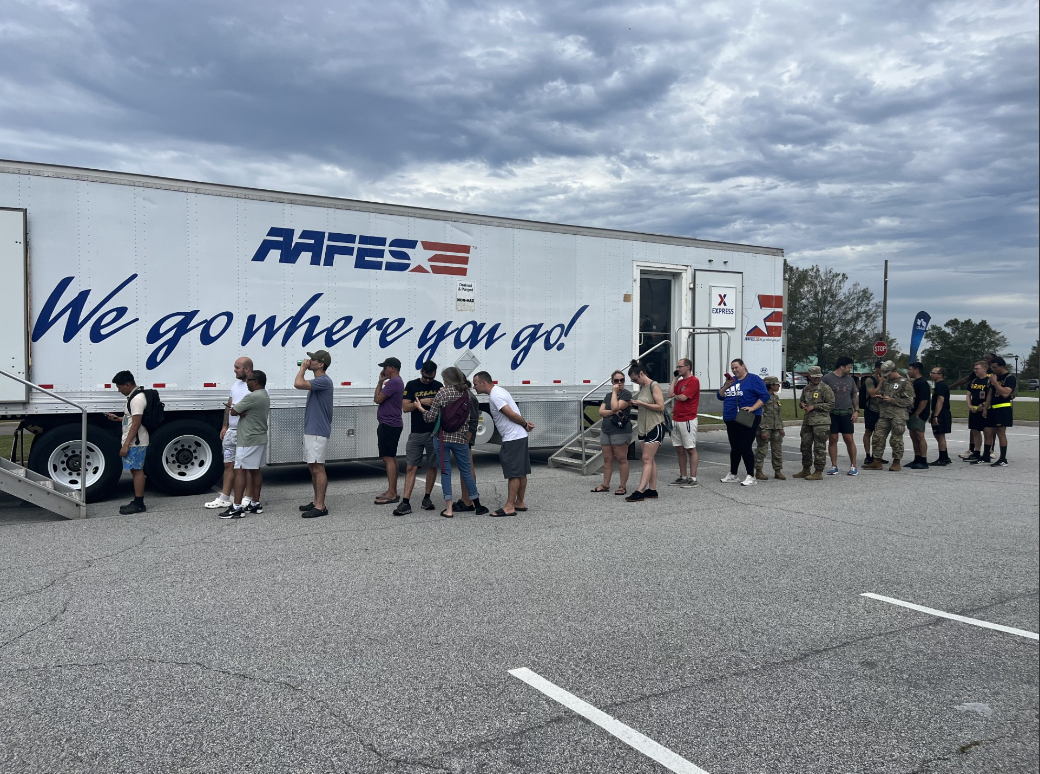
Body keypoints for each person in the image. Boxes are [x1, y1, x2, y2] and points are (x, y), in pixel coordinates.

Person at [424, 367, 488, 517]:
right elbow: (473, 418)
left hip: (441, 438)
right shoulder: (467, 394)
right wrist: (468, 437)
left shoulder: (442, 393)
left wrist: (422, 410)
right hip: (460, 439)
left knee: (445, 473)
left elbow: (430, 418)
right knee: (466, 472)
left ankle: (449, 509)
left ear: (446, 379)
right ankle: (477, 506)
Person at [472, 371, 532, 516]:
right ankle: (520, 502)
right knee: (521, 471)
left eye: (475, 384)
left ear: (483, 383)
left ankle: (510, 506)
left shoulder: (495, 396)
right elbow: (513, 412)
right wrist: (523, 425)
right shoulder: (500, 390)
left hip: (513, 438)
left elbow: (510, 414)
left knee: (514, 472)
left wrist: (524, 424)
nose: (474, 387)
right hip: (519, 436)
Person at [204, 357, 252, 510]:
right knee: (228, 464)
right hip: (231, 431)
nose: (234, 370)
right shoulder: (235, 385)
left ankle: (248, 497)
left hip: (246, 431)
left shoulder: (255, 386)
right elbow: (228, 406)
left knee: (247, 466)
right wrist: (224, 426)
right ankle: (224, 497)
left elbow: (259, 406)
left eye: (237, 367)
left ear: (247, 369)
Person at [394, 361, 442, 516]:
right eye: (425, 377)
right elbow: (405, 408)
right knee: (411, 466)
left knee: (432, 466)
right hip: (417, 432)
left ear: (435, 373)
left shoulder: (438, 385)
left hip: (434, 432)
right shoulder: (412, 385)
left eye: (430, 377)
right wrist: (421, 402)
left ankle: (427, 498)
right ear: (421, 372)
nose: (428, 380)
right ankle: (405, 501)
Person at [223, 370, 270, 518]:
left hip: (248, 439)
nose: (246, 383)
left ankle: (237, 507)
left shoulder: (252, 396)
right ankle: (255, 503)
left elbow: (234, 411)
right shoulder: (264, 395)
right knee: (255, 470)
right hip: (259, 437)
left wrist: (237, 410)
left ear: (255, 382)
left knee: (240, 470)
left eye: (248, 380)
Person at [717, 358, 769, 486]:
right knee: (735, 447)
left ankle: (751, 476)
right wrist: (726, 385)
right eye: (732, 368)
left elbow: (765, 396)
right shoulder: (731, 382)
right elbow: (720, 396)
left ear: (743, 366)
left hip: (747, 417)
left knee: (745, 446)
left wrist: (753, 407)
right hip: (731, 418)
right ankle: (733, 474)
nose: (734, 370)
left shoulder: (753, 379)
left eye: (736, 367)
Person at [294, 350, 334, 519]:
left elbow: (298, 383)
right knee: (312, 466)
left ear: (321, 364)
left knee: (318, 467)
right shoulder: (318, 381)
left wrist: (302, 368)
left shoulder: (323, 380)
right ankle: (316, 500)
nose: (309, 361)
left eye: (313, 359)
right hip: (312, 429)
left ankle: (320, 506)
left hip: (317, 431)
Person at [107, 371, 149, 515]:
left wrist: (126, 445)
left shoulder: (137, 399)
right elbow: (131, 418)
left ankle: (139, 503)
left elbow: (136, 424)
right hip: (134, 441)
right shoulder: (133, 397)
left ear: (128, 384)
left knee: (137, 471)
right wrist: (117, 419)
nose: (119, 390)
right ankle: (137, 501)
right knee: (135, 470)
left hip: (136, 442)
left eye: (120, 387)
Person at [625, 360, 666, 501]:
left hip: (655, 425)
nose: (635, 382)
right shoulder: (643, 387)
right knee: (650, 459)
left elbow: (661, 406)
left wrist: (641, 403)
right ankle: (652, 490)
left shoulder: (654, 386)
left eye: (635, 379)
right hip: (643, 427)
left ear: (641, 373)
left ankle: (640, 490)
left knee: (646, 459)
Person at [862, 362, 914, 471]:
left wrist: (892, 400)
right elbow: (878, 392)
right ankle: (877, 461)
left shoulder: (905, 383)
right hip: (884, 414)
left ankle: (896, 461)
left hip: (898, 415)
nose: (886, 376)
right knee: (878, 437)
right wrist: (880, 397)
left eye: (888, 374)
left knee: (896, 439)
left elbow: (909, 401)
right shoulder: (885, 382)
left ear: (894, 371)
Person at [591, 370, 632, 496]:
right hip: (606, 430)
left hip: (620, 431)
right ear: (612, 381)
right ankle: (605, 484)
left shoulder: (626, 394)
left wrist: (615, 394)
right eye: (616, 381)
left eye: (622, 380)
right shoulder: (608, 395)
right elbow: (601, 412)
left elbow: (615, 407)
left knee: (621, 458)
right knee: (607, 458)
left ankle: (622, 486)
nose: (619, 383)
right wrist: (612, 411)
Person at [973, 356, 1016, 467]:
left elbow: (1006, 393)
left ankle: (1003, 459)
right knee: (987, 431)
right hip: (992, 408)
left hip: (1003, 408)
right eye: (992, 367)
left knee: (1000, 433)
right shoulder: (994, 377)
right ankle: (986, 456)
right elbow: (990, 393)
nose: (993, 369)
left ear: (1002, 366)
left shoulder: (1009, 378)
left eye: (995, 367)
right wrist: (985, 407)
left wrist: (995, 382)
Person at [793, 366, 835, 481]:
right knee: (805, 446)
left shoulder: (825, 388)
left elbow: (831, 404)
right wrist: (802, 405)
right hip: (807, 422)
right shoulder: (806, 389)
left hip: (821, 423)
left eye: (818, 377)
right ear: (809, 377)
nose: (816, 379)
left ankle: (818, 471)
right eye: (814, 377)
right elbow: (801, 401)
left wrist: (814, 407)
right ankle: (806, 469)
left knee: (819, 448)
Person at [373, 356, 404, 505]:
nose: (383, 370)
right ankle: (392, 490)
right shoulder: (395, 382)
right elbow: (378, 398)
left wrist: (380, 382)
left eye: (385, 367)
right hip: (392, 424)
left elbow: (377, 399)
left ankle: (392, 493)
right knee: (391, 456)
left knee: (388, 458)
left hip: (389, 424)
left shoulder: (393, 383)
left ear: (392, 368)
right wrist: (381, 382)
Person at [822, 356, 859, 476]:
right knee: (833, 439)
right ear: (842, 367)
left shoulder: (850, 380)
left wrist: (856, 411)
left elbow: (854, 395)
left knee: (849, 439)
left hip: (846, 413)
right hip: (832, 413)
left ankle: (853, 466)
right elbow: (821, 394)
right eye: (848, 367)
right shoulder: (827, 378)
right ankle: (834, 465)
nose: (849, 369)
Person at [668, 358, 700, 487]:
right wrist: (675, 379)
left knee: (690, 448)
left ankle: (693, 478)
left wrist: (675, 395)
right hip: (677, 418)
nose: (677, 369)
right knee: (679, 449)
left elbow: (683, 397)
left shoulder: (694, 381)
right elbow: (670, 394)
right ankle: (683, 476)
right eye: (677, 366)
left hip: (688, 419)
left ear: (687, 367)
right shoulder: (680, 381)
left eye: (680, 366)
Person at [454, 389, 483, 512]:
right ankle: (465, 497)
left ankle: (468, 501)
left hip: (465, 437)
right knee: (464, 468)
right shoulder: (463, 394)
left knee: (468, 468)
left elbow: (474, 419)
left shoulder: (469, 397)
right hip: (462, 436)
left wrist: (469, 437)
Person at [754, 375, 785, 480]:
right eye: (777, 384)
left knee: (777, 450)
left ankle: (778, 471)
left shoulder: (775, 397)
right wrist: (762, 429)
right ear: (771, 385)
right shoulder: (762, 397)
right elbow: (760, 414)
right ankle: (758, 471)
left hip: (776, 428)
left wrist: (781, 428)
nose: (778, 386)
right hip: (765, 428)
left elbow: (778, 414)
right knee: (762, 450)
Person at [962, 360, 991, 462]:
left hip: (984, 410)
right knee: (975, 431)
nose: (975, 371)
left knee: (987, 432)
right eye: (974, 369)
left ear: (984, 369)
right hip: (974, 410)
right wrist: (969, 405)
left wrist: (983, 405)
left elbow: (990, 396)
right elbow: (968, 394)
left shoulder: (988, 381)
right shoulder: (973, 381)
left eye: (977, 369)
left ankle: (987, 453)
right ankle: (977, 452)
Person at [906, 362, 931, 469]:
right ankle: (917, 458)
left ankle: (923, 460)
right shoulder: (914, 382)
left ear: (916, 370)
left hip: (919, 414)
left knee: (919, 436)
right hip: (911, 413)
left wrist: (918, 413)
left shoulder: (922, 383)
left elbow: (924, 400)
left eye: (910, 369)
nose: (908, 371)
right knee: (913, 436)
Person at [861, 360, 886, 465]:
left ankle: (877, 455)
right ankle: (867, 455)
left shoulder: (888, 379)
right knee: (868, 432)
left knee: (880, 434)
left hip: (883, 410)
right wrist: (880, 383)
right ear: (876, 368)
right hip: (872, 409)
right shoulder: (870, 380)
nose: (883, 370)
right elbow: (872, 393)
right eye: (881, 368)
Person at [928, 365, 952, 465]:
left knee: (940, 435)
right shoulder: (938, 385)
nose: (931, 374)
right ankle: (945, 457)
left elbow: (940, 401)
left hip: (941, 413)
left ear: (940, 375)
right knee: (937, 435)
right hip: (939, 412)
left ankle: (942, 459)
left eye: (934, 373)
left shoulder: (941, 385)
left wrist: (935, 416)